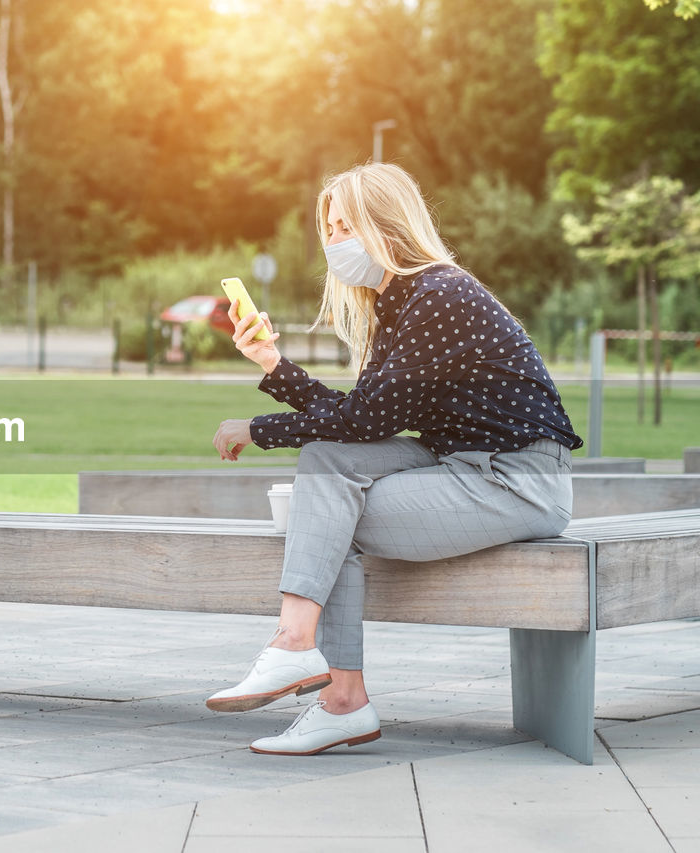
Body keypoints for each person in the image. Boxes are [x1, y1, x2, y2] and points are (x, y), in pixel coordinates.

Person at [208, 162, 581, 755]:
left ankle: (311, 669)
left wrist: (259, 428)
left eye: (346, 226)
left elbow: (365, 422)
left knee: (330, 512)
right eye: (328, 229)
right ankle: (326, 684)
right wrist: (273, 367)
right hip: (462, 464)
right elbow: (358, 418)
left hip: (517, 479)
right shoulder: (402, 305)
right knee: (328, 469)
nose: (334, 241)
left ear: (386, 224)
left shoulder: (439, 293)